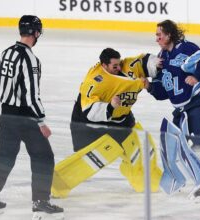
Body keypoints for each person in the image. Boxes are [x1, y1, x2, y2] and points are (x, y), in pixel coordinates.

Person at [51, 48, 163, 198]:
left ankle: (147, 181)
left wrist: (157, 63)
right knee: (105, 151)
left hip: (122, 119)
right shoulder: (96, 81)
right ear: (104, 65)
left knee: (142, 142)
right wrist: (110, 107)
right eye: (114, 66)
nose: (119, 68)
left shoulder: (126, 67)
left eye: (119, 64)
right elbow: (89, 111)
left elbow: (142, 62)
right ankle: (57, 182)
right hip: (91, 123)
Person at [0, 15, 63, 218]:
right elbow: (31, 95)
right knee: (44, 157)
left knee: (5, 158)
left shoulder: (6, 52)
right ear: (36, 33)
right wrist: (41, 121)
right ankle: (40, 202)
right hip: (25, 118)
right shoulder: (30, 58)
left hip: (6, 114)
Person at [148, 20, 200, 202]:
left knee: (199, 144)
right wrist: (149, 86)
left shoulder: (186, 48)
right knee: (174, 145)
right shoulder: (162, 57)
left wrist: (197, 76)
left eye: (160, 34)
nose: (157, 38)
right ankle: (194, 180)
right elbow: (163, 92)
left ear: (169, 35)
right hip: (185, 108)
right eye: (156, 35)